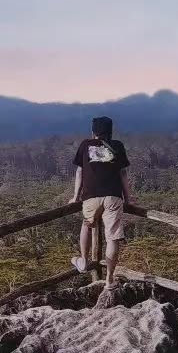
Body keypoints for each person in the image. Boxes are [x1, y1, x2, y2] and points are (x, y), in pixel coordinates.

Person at [69, 116, 133, 285]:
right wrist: (129, 198)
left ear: (93, 131)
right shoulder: (117, 146)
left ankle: (83, 261)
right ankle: (109, 278)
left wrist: (75, 197)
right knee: (112, 238)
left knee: (87, 225)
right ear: (110, 131)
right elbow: (122, 174)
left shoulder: (85, 145)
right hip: (113, 196)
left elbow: (80, 172)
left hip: (91, 195)